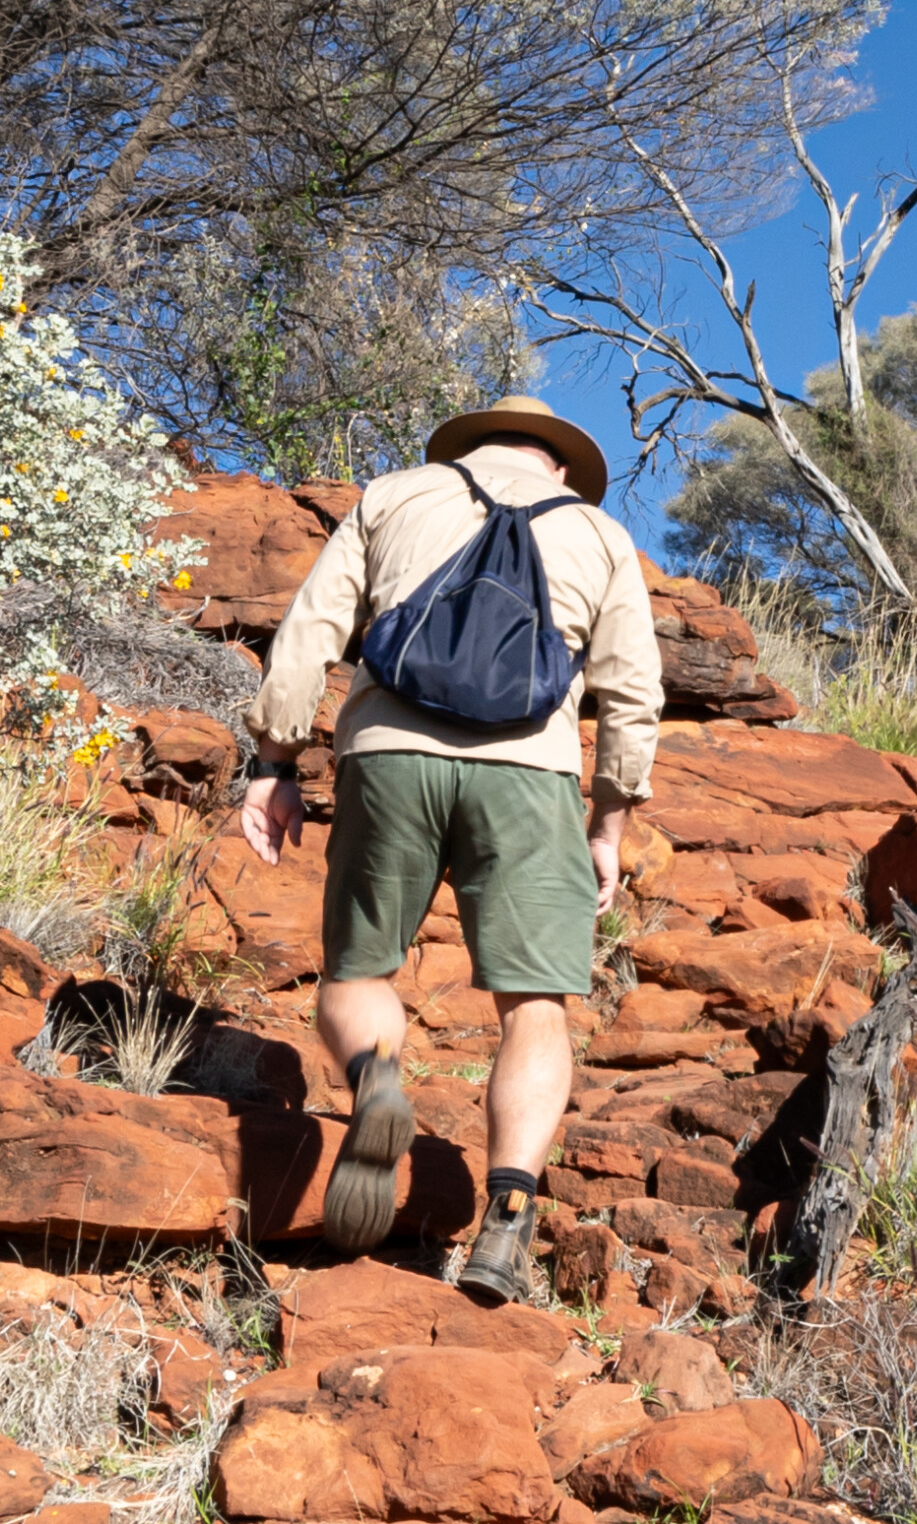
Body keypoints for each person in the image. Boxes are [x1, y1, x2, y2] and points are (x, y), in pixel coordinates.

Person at [234, 396, 663, 1302]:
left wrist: (275, 759)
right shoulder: (597, 531)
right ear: (558, 462)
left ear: (475, 445)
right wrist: (609, 823)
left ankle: (379, 1083)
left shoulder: (395, 494)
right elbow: (632, 695)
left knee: (357, 973)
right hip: (531, 776)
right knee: (534, 1005)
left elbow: (311, 631)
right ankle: (507, 1219)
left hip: (388, 757)